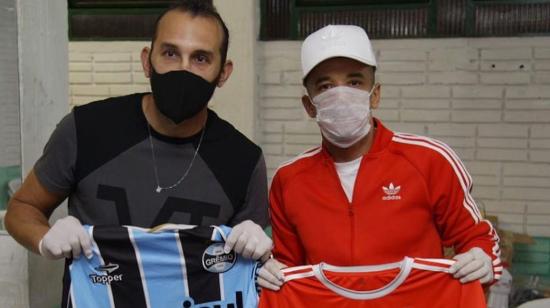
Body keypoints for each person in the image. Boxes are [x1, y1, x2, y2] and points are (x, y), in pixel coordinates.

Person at [5, 0, 272, 305]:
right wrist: (45, 239)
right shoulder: (86, 129)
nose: (183, 69)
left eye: (200, 58)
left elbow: (250, 272)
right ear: (147, 61)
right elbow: (21, 208)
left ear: (223, 73)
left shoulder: (243, 160)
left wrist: (262, 251)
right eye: (170, 53)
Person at [257, 25, 501, 292]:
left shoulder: (430, 161)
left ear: (375, 94)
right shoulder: (289, 180)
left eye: (354, 82)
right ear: (309, 104)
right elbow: (290, 269)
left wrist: (483, 257)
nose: (341, 95)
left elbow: (476, 237)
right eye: (325, 86)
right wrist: (270, 269)